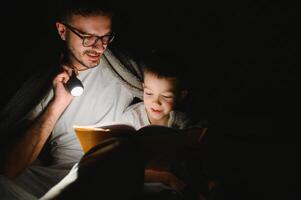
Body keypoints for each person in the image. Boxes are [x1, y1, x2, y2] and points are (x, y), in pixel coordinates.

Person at [0, 1, 144, 199]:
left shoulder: (124, 70)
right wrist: (58, 103)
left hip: (114, 168)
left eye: (105, 37)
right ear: (62, 31)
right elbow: (10, 167)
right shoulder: (44, 83)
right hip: (63, 174)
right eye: (87, 37)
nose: (99, 46)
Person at [120, 51, 208, 199]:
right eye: (149, 93)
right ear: (143, 88)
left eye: (166, 96)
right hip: (139, 184)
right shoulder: (131, 118)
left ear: (181, 96)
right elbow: (122, 167)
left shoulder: (185, 122)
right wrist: (165, 178)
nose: (156, 102)